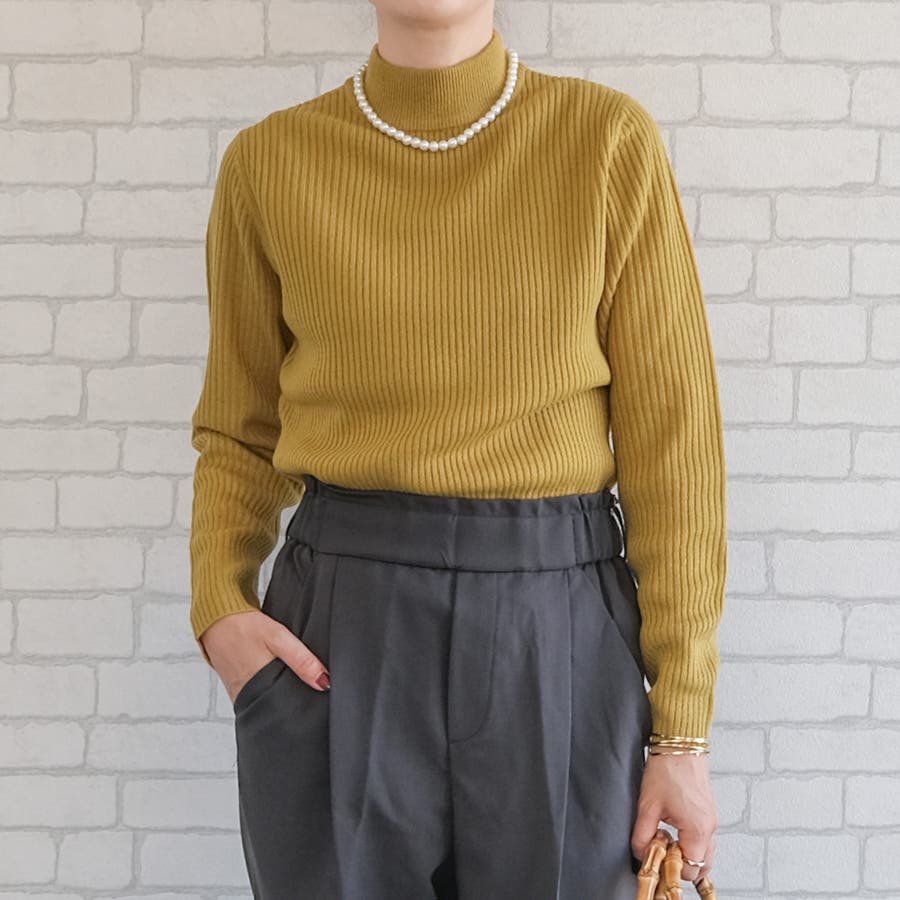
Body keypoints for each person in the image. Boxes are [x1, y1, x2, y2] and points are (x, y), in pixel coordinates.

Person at [188, 2, 725, 898]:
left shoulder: (605, 142)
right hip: (341, 630)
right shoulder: (271, 161)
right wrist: (219, 607)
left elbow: (675, 444)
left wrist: (684, 732)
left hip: (559, 626)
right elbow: (239, 429)